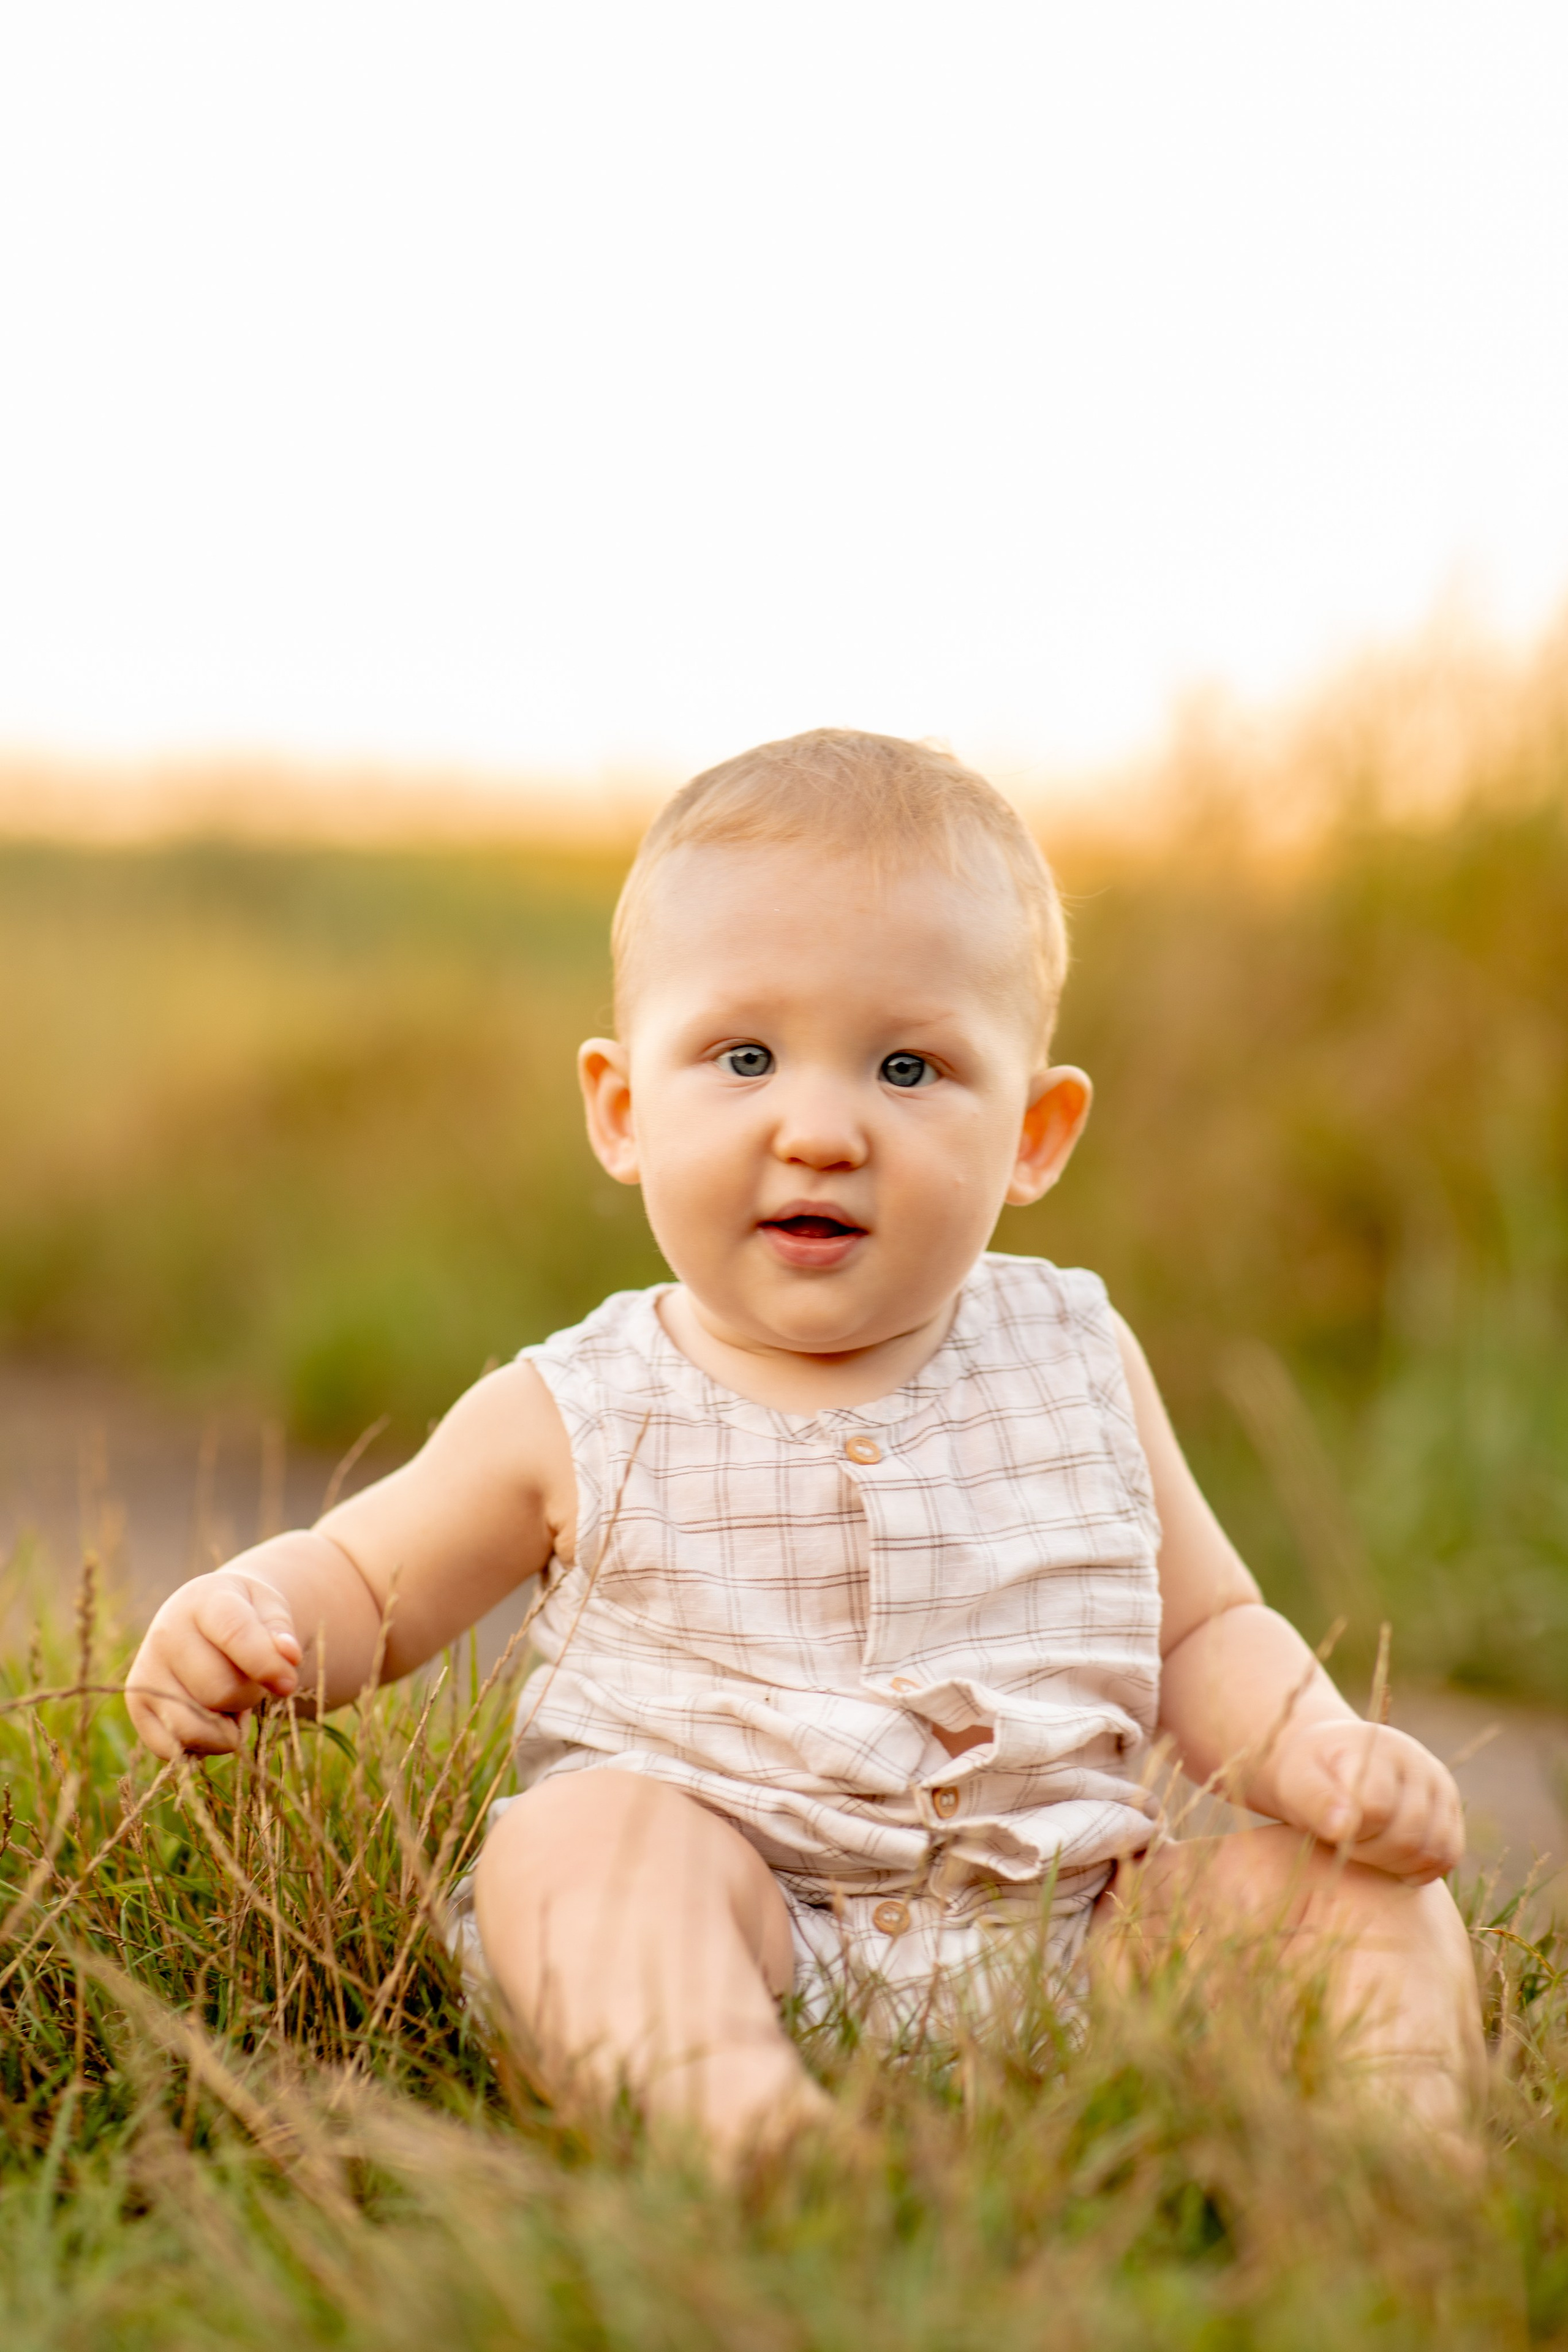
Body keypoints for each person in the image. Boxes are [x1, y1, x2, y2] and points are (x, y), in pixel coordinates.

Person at [125, 729, 1483, 2161]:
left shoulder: (1078, 1355)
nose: (821, 1128)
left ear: (1031, 1132)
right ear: (624, 1109)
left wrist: (1316, 1748)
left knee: (1357, 1897)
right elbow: (367, 1580)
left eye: (908, 1067)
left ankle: (1398, 2158)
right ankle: (740, 2120)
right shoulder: (575, 1405)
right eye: (745, 1055)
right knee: (576, 1847)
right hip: (741, 1920)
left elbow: (1202, 1629)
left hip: (1077, 1938)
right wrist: (256, 1618)